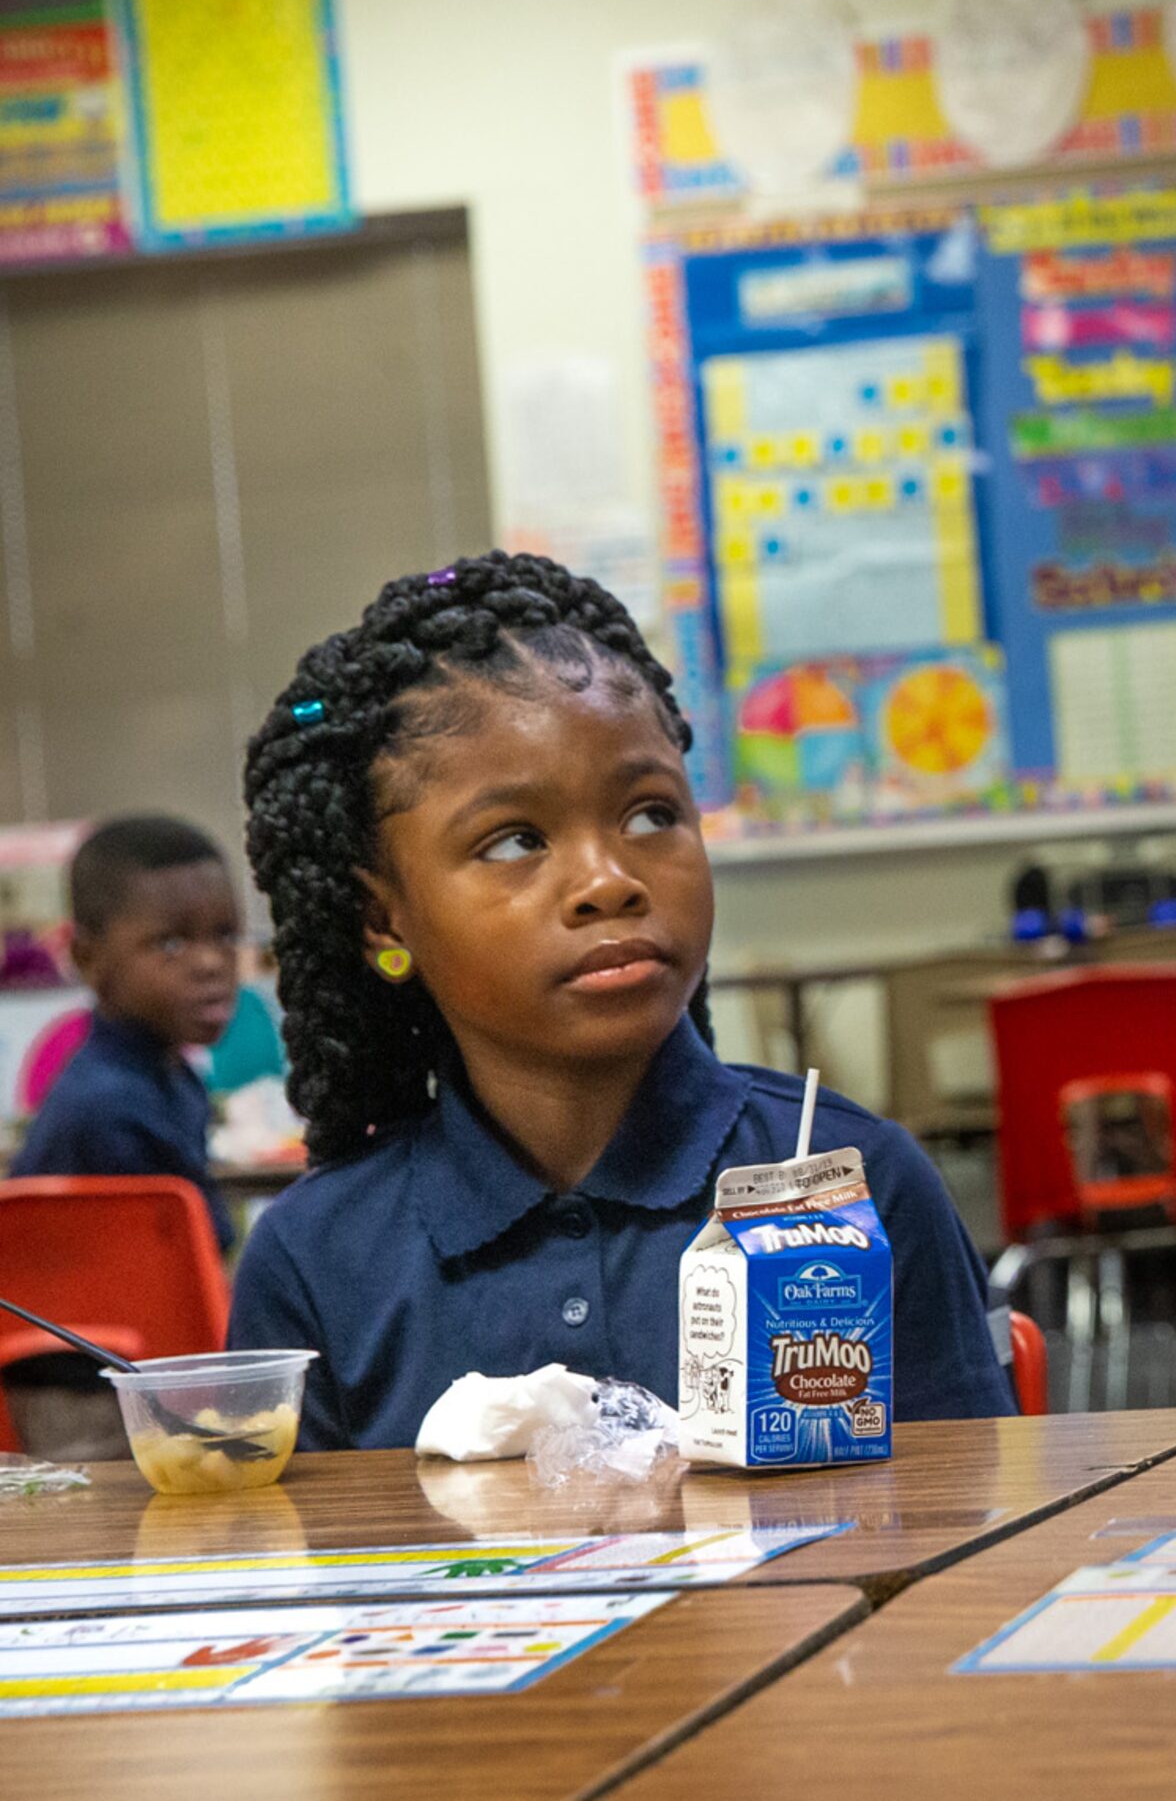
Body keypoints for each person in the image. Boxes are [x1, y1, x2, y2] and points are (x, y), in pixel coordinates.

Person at [227, 553, 1012, 1447]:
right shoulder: (318, 1258)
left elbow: (970, 1522)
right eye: (514, 840)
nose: (608, 881)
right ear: (383, 918)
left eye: (650, 816)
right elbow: (302, 1576)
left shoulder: (845, 1178)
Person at [11, 815, 240, 1247]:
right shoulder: (109, 1113)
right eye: (171, 943)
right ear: (88, 958)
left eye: (225, 935)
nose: (211, 963)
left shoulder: (171, 1076)